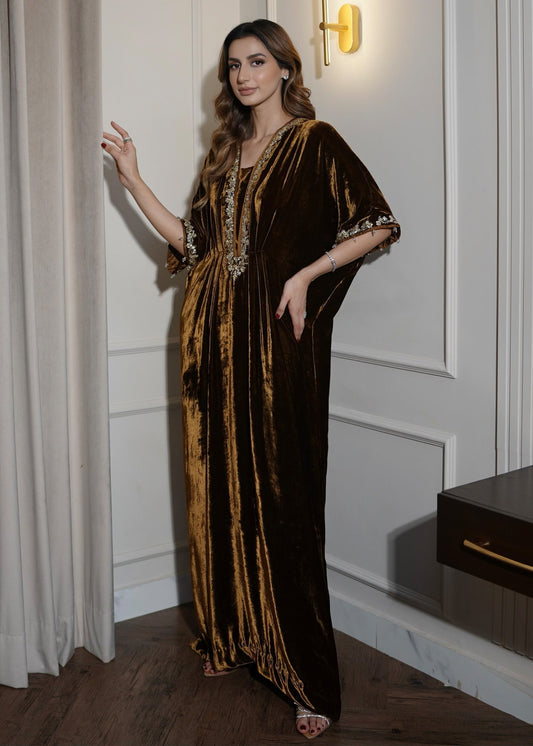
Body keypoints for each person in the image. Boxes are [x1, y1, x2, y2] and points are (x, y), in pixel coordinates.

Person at [102, 18, 399, 741]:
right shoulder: (225, 154)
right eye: (233, 65)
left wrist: (305, 274)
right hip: (210, 346)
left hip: (277, 352)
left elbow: (378, 223)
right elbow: (194, 244)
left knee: (283, 503)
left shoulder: (314, 141)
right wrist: (132, 178)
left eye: (256, 61)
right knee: (221, 495)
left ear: (285, 68)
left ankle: (308, 678)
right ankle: (237, 637)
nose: (243, 75)